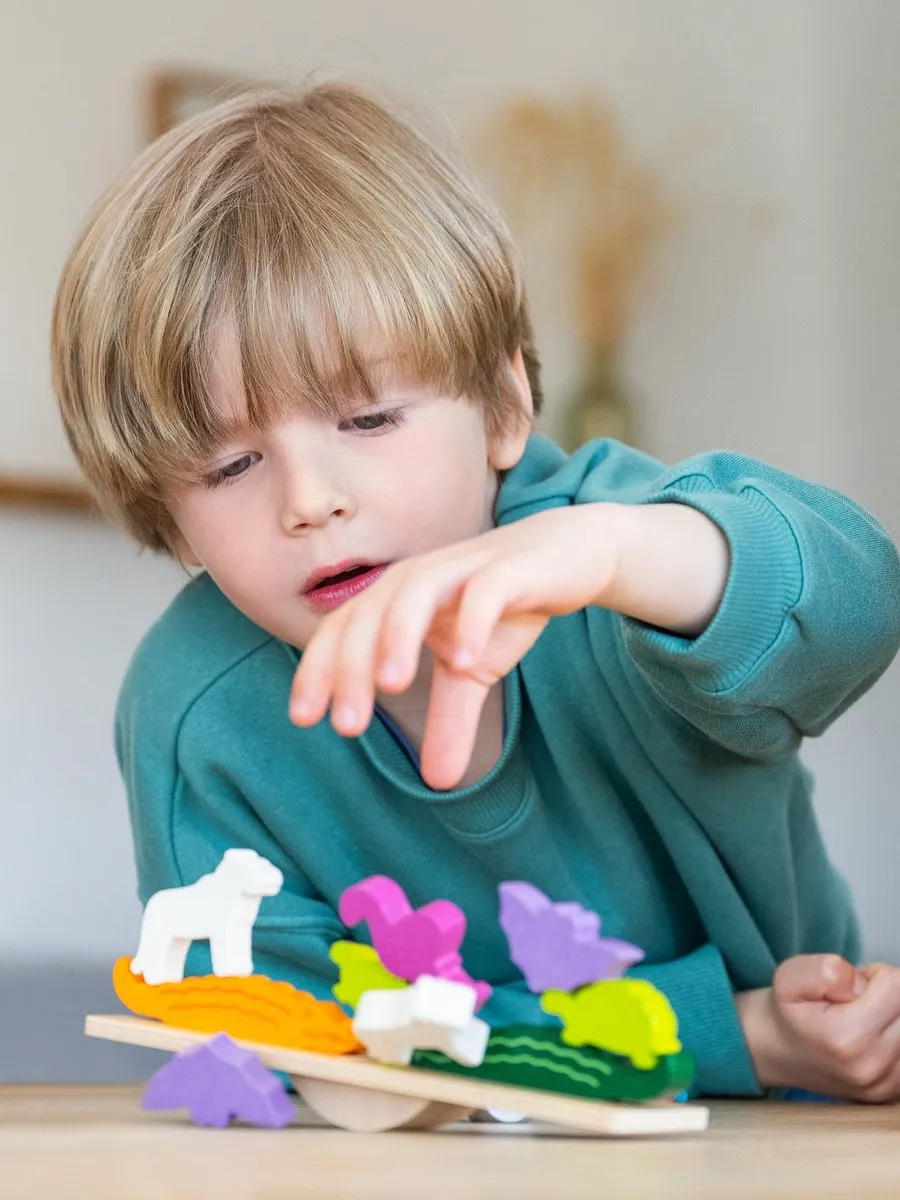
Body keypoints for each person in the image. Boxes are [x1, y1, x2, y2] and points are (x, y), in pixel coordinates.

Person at [51, 82, 900, 1099]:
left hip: (801, 1129)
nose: (310, 502)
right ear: (168, 514)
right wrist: (731, 1035)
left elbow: (862, 603)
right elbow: (312, 1046)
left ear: (503, 407)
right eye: (231, 467)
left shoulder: (610, 549)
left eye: (367, 420)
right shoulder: (197, 716)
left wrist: (629, 558)